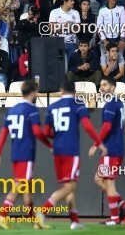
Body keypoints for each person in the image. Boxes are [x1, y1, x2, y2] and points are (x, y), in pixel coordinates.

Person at [34, 80, 106, 230]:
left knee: (68, 186)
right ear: (74, 92)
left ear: (61, 90)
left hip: (57, 150)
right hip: (71, 149)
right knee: (70, 186)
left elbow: (46, 133)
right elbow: (87, 125)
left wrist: (58, 136)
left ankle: (74, 221)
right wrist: (99, 142)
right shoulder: (78, 103)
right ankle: (42, 211)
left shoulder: (52, 107)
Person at [0, 80, 52, 230]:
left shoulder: (12, 110)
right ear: (33, 92)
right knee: (20, 185)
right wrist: (50, 145)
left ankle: (34, 221)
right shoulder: (31, 109)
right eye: (36, 91)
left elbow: (4, 133)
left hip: (16, 152)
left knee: (27, 187)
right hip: (26, 152)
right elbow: (37, 132)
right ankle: (1, 216)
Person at [90, 76, 125, 225]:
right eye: (100, 85)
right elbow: (122, 126)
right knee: (99, 179)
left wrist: (96, 144)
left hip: (111, 149)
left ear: (113, 88)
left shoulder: (110, 105)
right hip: (116, 147)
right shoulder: (119, 103)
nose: (101, 87)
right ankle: (121, 205)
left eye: (105, 85)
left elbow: (107, 127)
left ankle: (115, 218)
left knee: (108, 181)